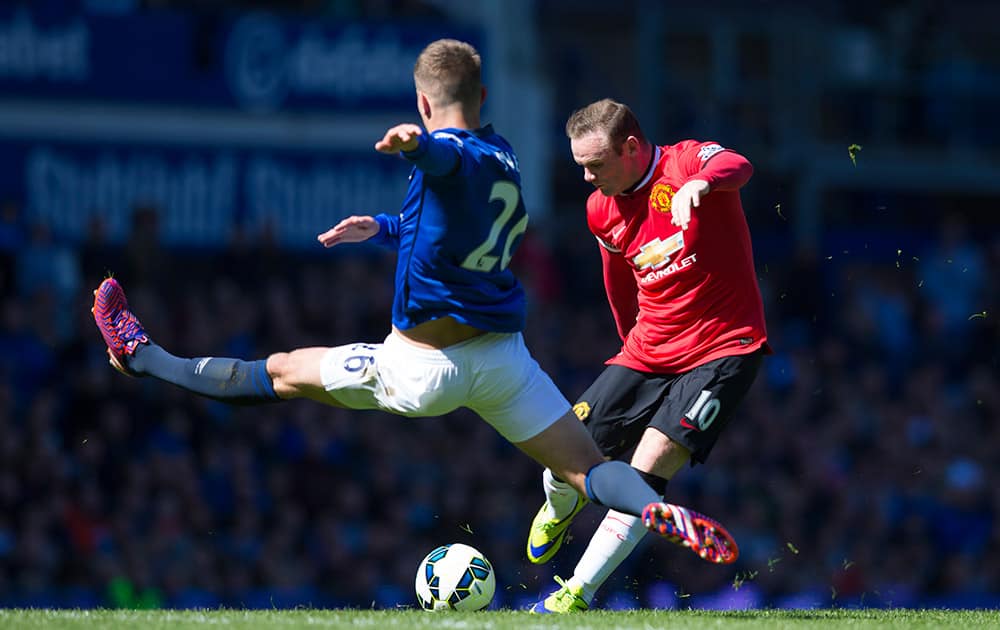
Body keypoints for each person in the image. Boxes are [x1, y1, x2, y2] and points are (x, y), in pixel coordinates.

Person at [91, 41, 709, 557]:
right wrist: (386, 227)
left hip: (420, 370)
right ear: (483, 97)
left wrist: (416, 145)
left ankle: (143, 358)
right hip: (502, 362)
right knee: (588, 471)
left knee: (277, 372)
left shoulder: (452, 155)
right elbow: (458, 215)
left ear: (421, 102)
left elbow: (444, 159)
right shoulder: (505, 156)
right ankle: (653, 508)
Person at [527, 98, 768, 613]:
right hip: (647, 350)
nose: (588, 178)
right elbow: (618, 284)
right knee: (561, 448)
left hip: (723, 348)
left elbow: (738, 165)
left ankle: (575, 593)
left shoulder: (685, 163)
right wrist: (625, 347)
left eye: (596, 165)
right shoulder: (600, 209)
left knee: (644, 473)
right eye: (580, 168)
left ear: (631, 148)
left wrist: (703, 184)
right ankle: (558, 506)